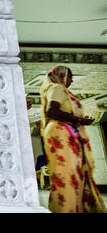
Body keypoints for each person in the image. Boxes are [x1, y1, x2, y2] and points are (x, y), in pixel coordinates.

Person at [40, 65, 106, 213]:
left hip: (66, 133)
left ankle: (76, 207)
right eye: (69, 76)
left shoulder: (62, 91)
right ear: (61, 76)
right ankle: (67, 208)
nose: (72, 80)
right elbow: (51, 110)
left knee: (74, 174)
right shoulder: (57, 88)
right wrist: (78, 119)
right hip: (62, 134)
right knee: (68, 174)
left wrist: (78, 120)